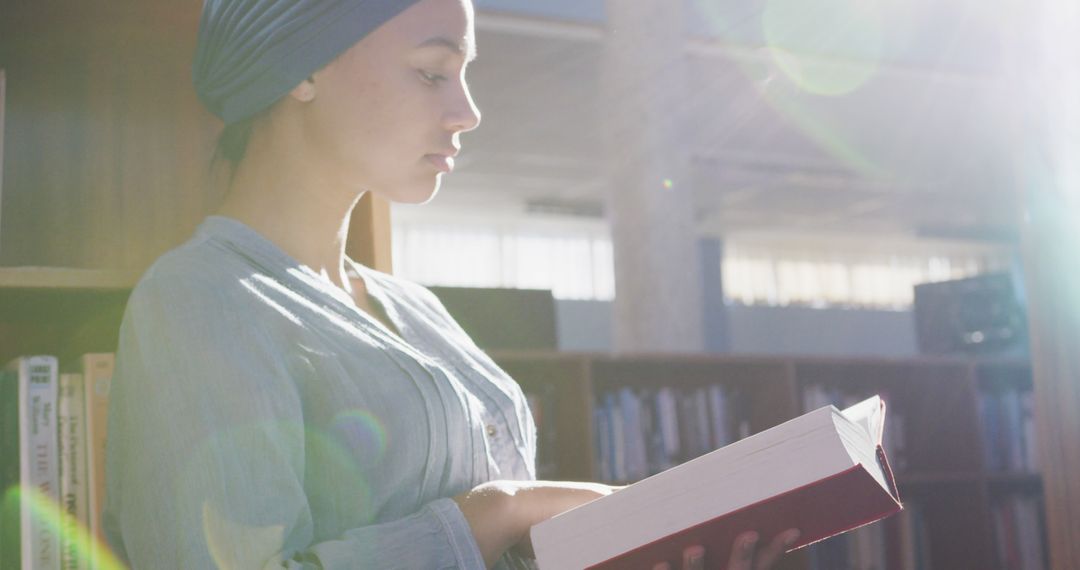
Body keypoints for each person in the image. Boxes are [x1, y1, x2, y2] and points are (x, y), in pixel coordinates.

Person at [102, 0, 801, 568]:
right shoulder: (199, 302)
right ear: (303, 69)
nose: (466, 111)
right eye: (434, 72)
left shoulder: (414, 306)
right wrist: (496, 513)